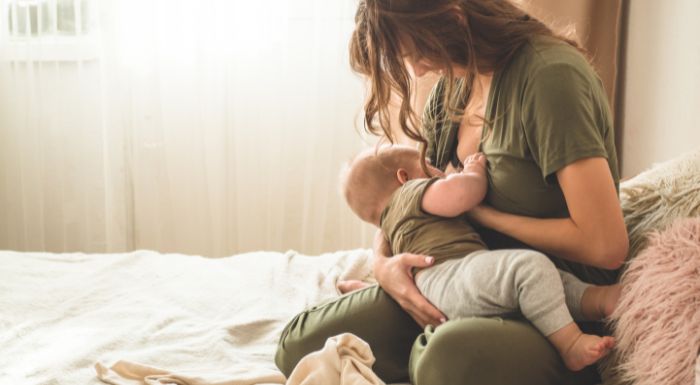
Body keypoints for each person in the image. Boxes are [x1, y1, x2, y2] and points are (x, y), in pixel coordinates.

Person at [276, 0, 629, 384]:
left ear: (453, 15)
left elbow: (605, 244)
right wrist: (385, 268)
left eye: (417, 51)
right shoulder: (451, 92)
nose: (418, 69)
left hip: (551, 304)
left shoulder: (549, 77)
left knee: (443, 358)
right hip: (462, 283)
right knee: (300, 345)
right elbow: (410, 199)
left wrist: (486, 216)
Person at [340, 144, 619, 371]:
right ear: (404, 177)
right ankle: (570, 343)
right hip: (451, 276)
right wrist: (473, 172)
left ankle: (600, 300)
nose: (439, 170)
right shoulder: (410, 193)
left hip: (440, 293)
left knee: (542, 282)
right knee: (530, 269)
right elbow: (460, 195)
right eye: (429, 165)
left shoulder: (391, 228)